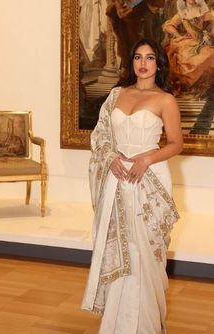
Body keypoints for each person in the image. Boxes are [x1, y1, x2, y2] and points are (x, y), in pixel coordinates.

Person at [81, 38, 183, 333]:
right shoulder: (116, 94)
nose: (143, 63)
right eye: (138, 57)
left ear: (158, 64)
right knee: (121, 248)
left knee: (143, 252)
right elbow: (100, 136)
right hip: (116, 180)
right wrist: (110, 156)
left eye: (150, 58)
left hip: (147, 180)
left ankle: (145, 325)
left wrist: (146, 159)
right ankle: (116, 323)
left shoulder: (165, 100)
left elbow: (177, 144)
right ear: (132, 62)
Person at [163, 0, 214, 96]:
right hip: (185, 42)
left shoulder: (203, 12)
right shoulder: (182, 14)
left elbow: (212, 23)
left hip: (200, 42)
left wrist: (208, 34)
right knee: (190, 58)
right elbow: (168, 26)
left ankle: (201, 87)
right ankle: (189, 85)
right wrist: (178, 36)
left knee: (210, 54)